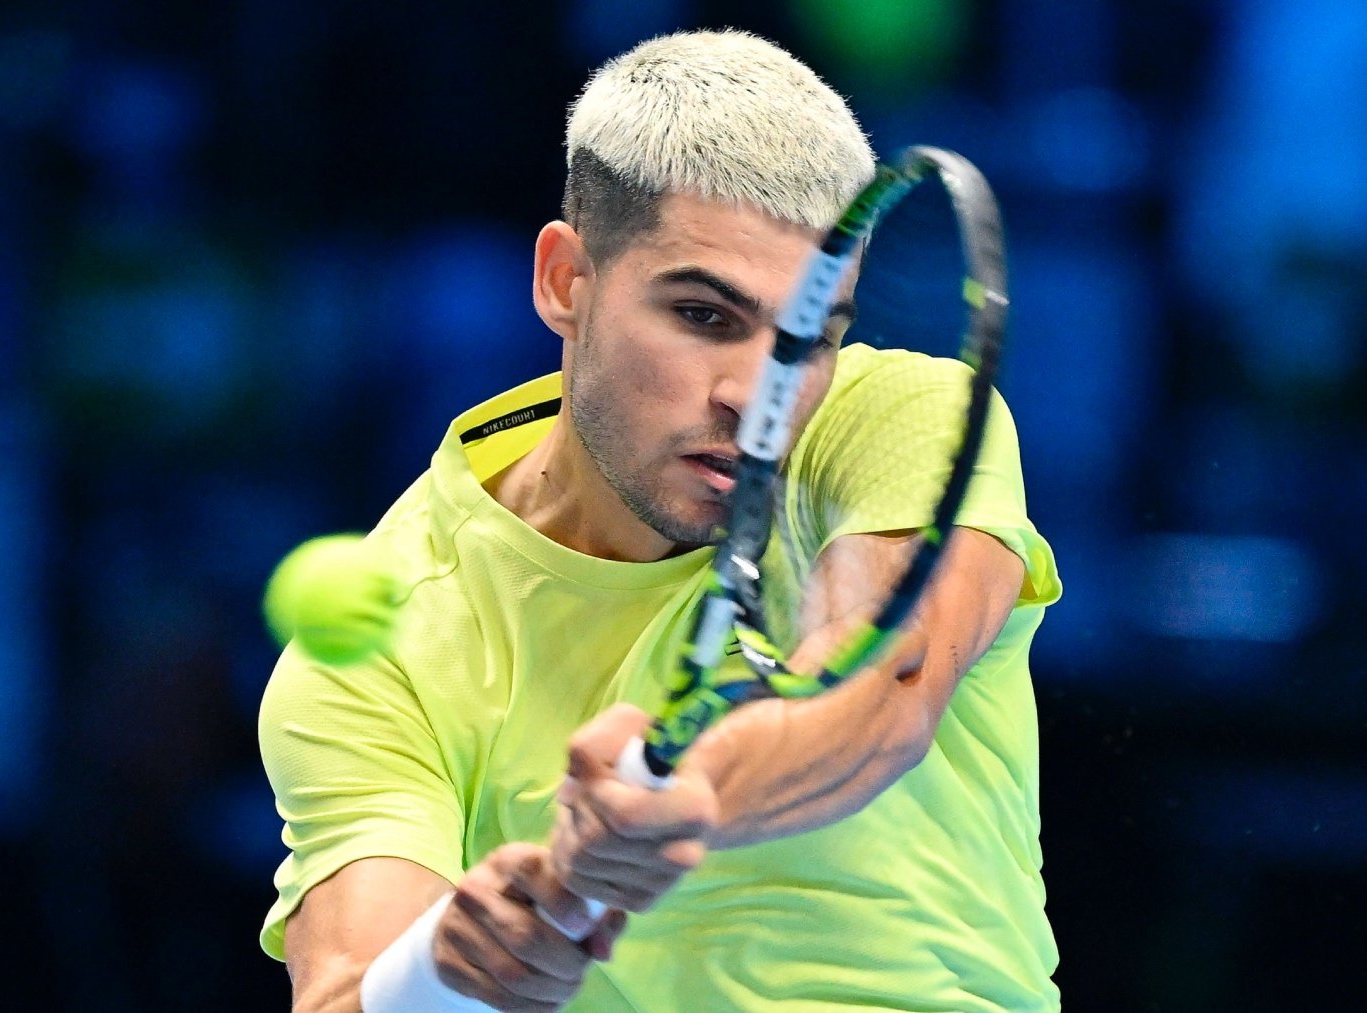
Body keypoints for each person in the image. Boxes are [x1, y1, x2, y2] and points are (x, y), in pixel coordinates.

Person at [258, 29, 1062, 1012]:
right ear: (566, 280)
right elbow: (345, 989)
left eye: (808, 337)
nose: (756, 399)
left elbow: (881, 679)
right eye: (707, 316)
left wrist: (696, 793)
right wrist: (443, 974)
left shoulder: (902, 417)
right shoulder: (390, 640)